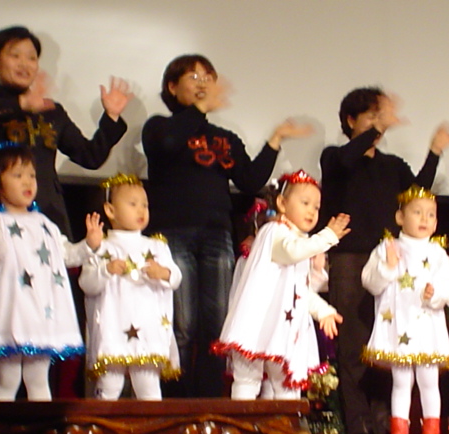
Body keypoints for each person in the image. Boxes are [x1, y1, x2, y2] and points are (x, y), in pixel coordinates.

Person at [142, 54, 312, 397]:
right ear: (172, 87)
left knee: (217, 322)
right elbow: (168, 144)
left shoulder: (224, 138)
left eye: (208, 77)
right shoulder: (158, 126)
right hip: (174, 233)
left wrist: (275, 139)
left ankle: (211, 402)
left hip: (216, 234)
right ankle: (176, 404)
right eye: (193, 77)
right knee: (183, 324)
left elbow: (249, 180)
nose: (203, 82)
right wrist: (199, 109)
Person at [319, 86, 449, 434]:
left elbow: (416, 195)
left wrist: (435, 152)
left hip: (394, 259)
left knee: (391, 346)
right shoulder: (335, 157)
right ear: (351, 120)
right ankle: (358, 428)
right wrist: (378, 127)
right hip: (350, 258)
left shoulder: (392, 165)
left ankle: (388, 427)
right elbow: (346, 159)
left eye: (381, 117)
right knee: (354, 346)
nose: (378, 125)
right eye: (371, 116)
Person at [0, 25, 132, 237]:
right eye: (15, 55)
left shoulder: (51, 112)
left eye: (31, 58)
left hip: (49, 218)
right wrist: (21, 104)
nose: (24, 64)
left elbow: (90, 156)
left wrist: (111, 117)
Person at [0, 143, 102, 401]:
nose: (27, 181)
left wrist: (89, 245)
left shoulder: (45, 223)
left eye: (31, 175)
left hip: (41, 317)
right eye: (17, 175)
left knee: (39, 380)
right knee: (7, 380)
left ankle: (43, 425)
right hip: (12, 317)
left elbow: (65, 255)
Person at [212, 170, 349, 400]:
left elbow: (299, 290)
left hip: (281, 329)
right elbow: (291, 251)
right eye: (305, 203)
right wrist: (326, 237)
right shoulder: (274, 232)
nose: (311, 211)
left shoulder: (301, 241)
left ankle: (286, 423)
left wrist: (323, 310)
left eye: (316, 207)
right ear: (282, 203)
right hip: (258, 324)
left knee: (287, 385)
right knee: (247, 380)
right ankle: (243, 421)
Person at [361, 185, 449, 434]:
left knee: (429, 381)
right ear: (400, 217)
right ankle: (399, 433)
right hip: (398, 323)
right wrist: (388, 267)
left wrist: (434, 295)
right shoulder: (387, 247)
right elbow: (370, 283)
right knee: (401, 382)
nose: (425, 219)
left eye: (431, 214)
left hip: (427, 327)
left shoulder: (437, 253)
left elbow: (448, 287)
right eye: (417, 212)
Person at [79, 173, 182, 401]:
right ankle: (100, 423)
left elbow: (176, 277)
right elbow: (87, 283)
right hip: (113, 330)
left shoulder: (156, 246)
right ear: (110, 210)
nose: (141, 210)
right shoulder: (102, 247)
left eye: (144, 205)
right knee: (109, 387)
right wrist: (106, 270)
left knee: (149, 390)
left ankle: (153, 424)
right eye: (133, 204)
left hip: (148, 331)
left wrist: (163, 273)